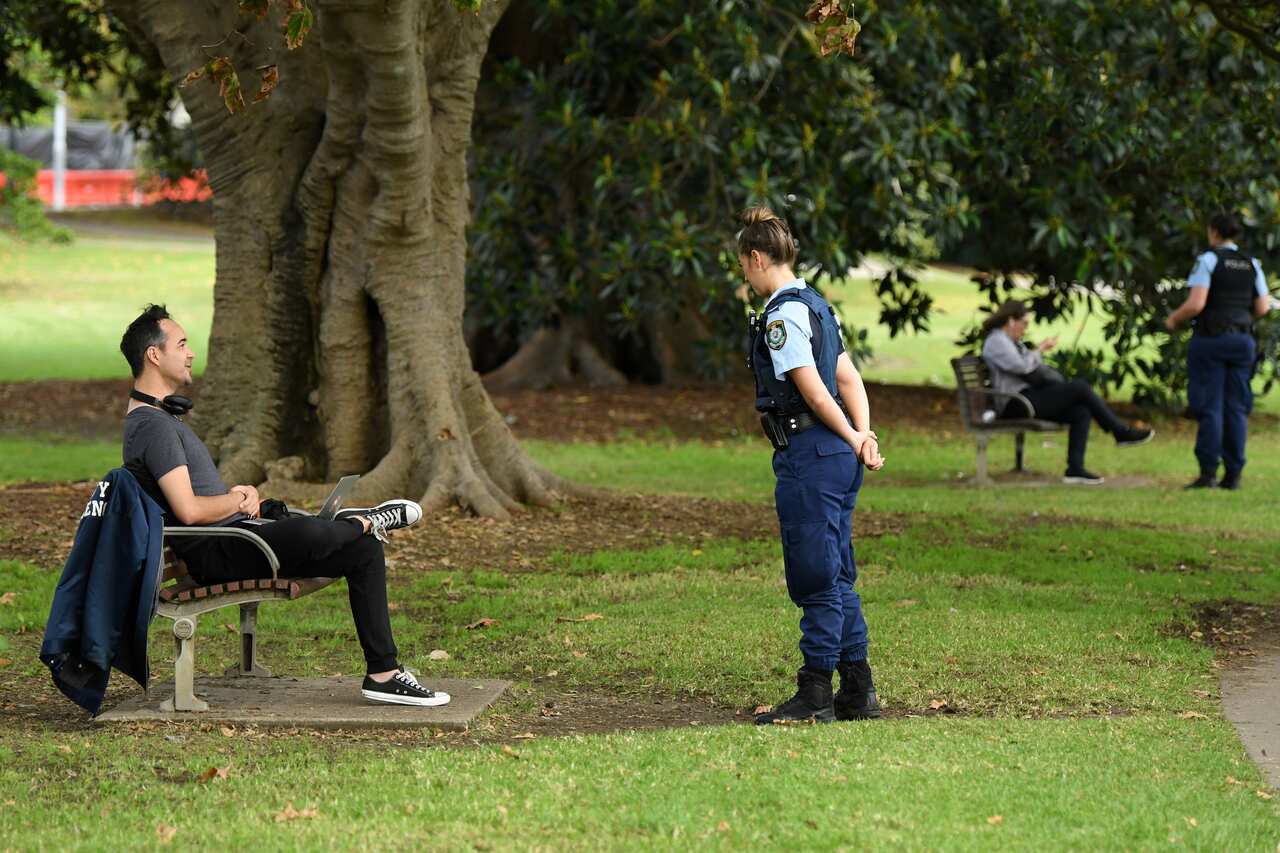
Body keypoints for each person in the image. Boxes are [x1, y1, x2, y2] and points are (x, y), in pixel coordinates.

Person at [118, 304, 448, 707]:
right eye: (182, 344)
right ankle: (365, 520)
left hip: (237, 537)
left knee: (362, 550)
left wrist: (239, 498)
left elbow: (192, 500)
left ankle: (383, 672)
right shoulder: (154, 426)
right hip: (222, 550)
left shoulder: (157, 420)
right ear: (154, 354)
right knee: (311, 530)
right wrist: (238, 499)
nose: (190, 353)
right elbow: (188, 512)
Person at [740, 206, 885, 725]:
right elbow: (850, 380)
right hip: (838, 457)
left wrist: (850, 435)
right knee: (839, 573)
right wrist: (863, 437)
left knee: (816, 574)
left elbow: (814, 389)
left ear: (757, 258)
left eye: (744, 265)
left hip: (812, 454)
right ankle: (858, 688)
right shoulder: (819, 306)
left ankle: (816, 693)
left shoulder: (782, 314)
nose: (745, 275)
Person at [981, 300, 1153, 485]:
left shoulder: (1010, 341)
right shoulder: (996, 341)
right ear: (1011, 321)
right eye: (1025, 323)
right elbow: (1020, 367)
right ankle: (1120, 432)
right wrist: (1039, 350)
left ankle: (1075, 469)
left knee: (1080, 411)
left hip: (1026, 398)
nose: (1025, 329)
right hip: (1014, 403)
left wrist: (1036, 353)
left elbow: (1026, 365)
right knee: (1079, 387)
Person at [1166, 211, 1271, 490]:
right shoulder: (1252, 264)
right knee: (1236, 408)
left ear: (1213, 232)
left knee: (1210, 407)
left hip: (1211, 341)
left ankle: (1208, 472)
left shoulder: (1208, 260)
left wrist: (1174, 319)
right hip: (1242, 342)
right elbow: (1262, 307)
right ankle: (1233, 474)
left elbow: (1196, 304)